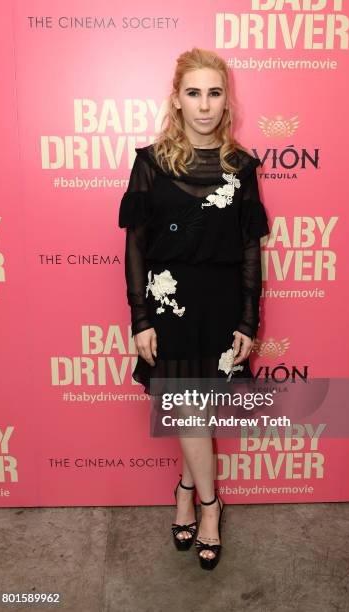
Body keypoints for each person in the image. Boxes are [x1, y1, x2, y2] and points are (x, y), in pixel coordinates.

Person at [118, 47, 269, 570]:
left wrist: (249, 319)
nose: (204, 105)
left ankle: (186, 489)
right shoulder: (150, 163)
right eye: (193, 93)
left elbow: (250, 248)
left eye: (214, 92)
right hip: (168, 304)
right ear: (177, 101)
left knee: (194, 412)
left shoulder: (242, 167)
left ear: (226, 101)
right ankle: (210, 504)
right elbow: (136, 245)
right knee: (188, 411)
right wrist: (140, 318)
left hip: (220, 304)